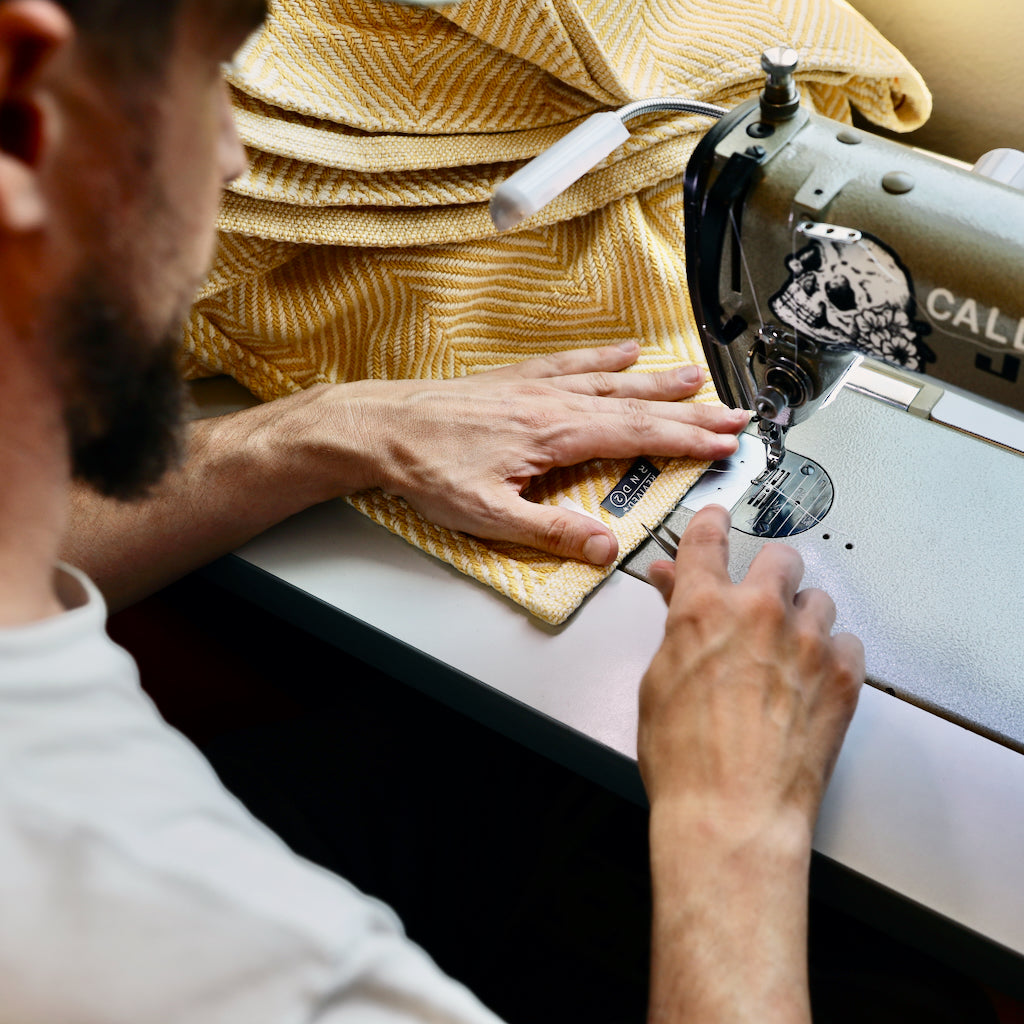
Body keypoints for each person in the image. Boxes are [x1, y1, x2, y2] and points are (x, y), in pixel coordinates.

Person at [0, 0, 865, 1021]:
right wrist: (730, 825)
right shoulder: (242, 960)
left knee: (473, 779)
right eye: (212, 80)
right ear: (27, 111)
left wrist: (324, 425)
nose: (234, 161)